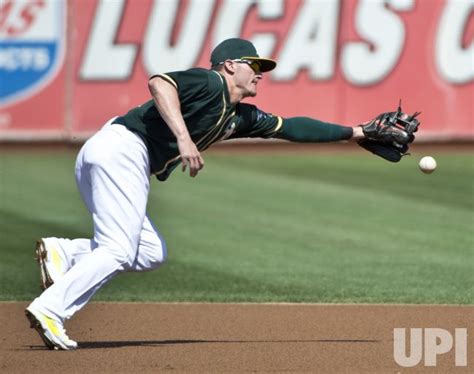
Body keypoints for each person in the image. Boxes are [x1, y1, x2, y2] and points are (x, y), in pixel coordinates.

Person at [25, 38, 399, 350]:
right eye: (254, 66)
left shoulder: (240, 116)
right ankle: (51, 310)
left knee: (150, 252)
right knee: (119, 248)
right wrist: (185, 138)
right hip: (122, 149)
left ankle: (65, 251)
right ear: (230, 65)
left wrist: (356, 132)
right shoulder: (209, 83)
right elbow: (160, 83)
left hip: (111, 153)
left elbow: (293, 128)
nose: (260, 75)